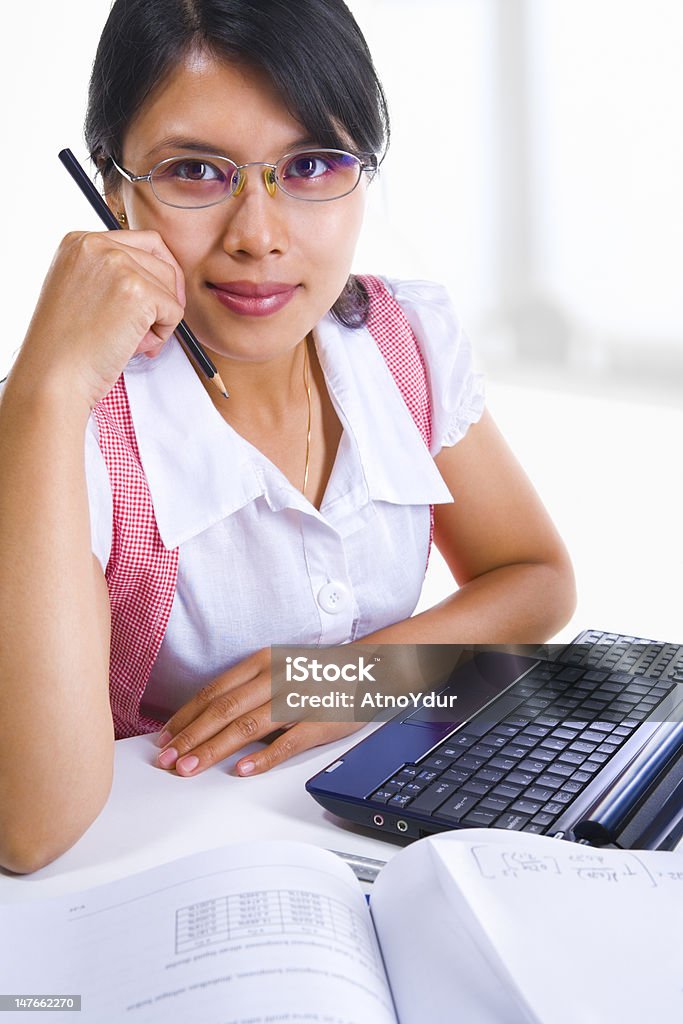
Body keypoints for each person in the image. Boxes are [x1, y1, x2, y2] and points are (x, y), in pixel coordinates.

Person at [0, 0, 575, 873]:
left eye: (309, 164)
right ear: (114, 190)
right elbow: (26, 827)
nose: (258, 237)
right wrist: (43, 388)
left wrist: (340, 680)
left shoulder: (399, 342)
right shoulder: (66, 429)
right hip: (154, 881)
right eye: (194, 170)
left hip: (379, 841)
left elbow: (535, 582)